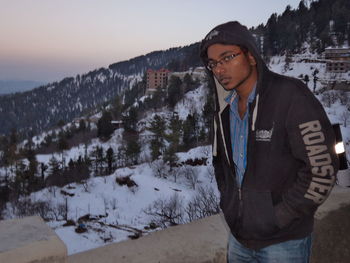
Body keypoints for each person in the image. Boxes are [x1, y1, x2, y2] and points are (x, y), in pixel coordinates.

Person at [199, 21, 339, 263]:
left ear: (251, 56)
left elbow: (322, 169)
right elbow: (221, 167)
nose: (219, 69)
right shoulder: (224, 111)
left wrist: (279, 217)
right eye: (213, 64)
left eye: (227, 57)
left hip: (285, 243)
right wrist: (229, 204)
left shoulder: (291, 96)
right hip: (239, 238)